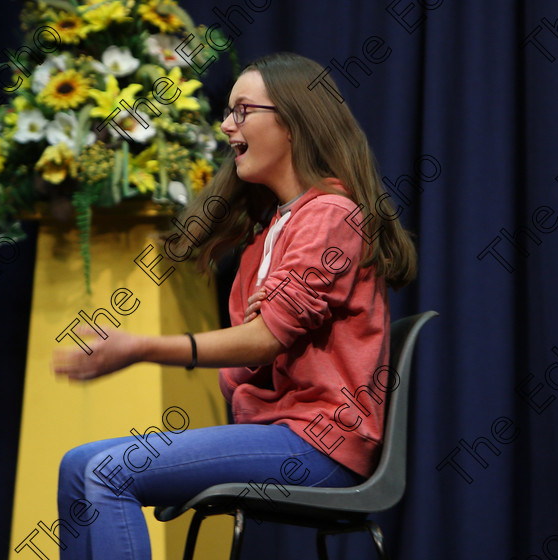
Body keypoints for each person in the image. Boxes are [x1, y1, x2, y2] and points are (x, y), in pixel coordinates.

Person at [52, 51, 417, 559]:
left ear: (293, 122)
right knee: (76, 465)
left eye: (242, 111)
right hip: (274, 431)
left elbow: (265, 341)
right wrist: (256, 339)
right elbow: (248, 366)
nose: (226, 126)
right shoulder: (267, 238)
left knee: (112, 474)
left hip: (319, 442)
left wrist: (139, 347)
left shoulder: (333, 214)